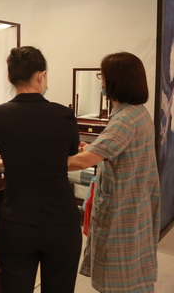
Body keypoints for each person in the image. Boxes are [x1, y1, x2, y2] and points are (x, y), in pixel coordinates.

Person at [0, 46, 82, 293]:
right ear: (41, 75)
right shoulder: (64, 114)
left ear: (10, 78)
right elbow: (64, 159)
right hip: (62, 222)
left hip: (18, 223)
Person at [68, 52, 160, 293]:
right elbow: (115, 150)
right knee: (133, 272)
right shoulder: (138, 112)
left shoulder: (124, 120)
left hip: (123, 210)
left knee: (119, 277)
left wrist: (36, 160)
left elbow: (82, 162)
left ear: (118, 80)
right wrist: (93, 148)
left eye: (103, 76)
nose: (102, 82)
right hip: (135, 202)